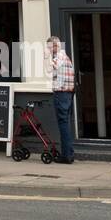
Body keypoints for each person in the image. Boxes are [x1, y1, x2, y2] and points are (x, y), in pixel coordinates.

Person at [45, 35, 76, 164]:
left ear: (55, 46)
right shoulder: (65, 56)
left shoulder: (60, 57)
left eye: (49, 47)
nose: (49, 50)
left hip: (61, 94)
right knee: (66, 124)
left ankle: (66, 156)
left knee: (63, 124)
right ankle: (69, 153)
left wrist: (46, 57)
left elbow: (49, 68)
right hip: (67, 94)